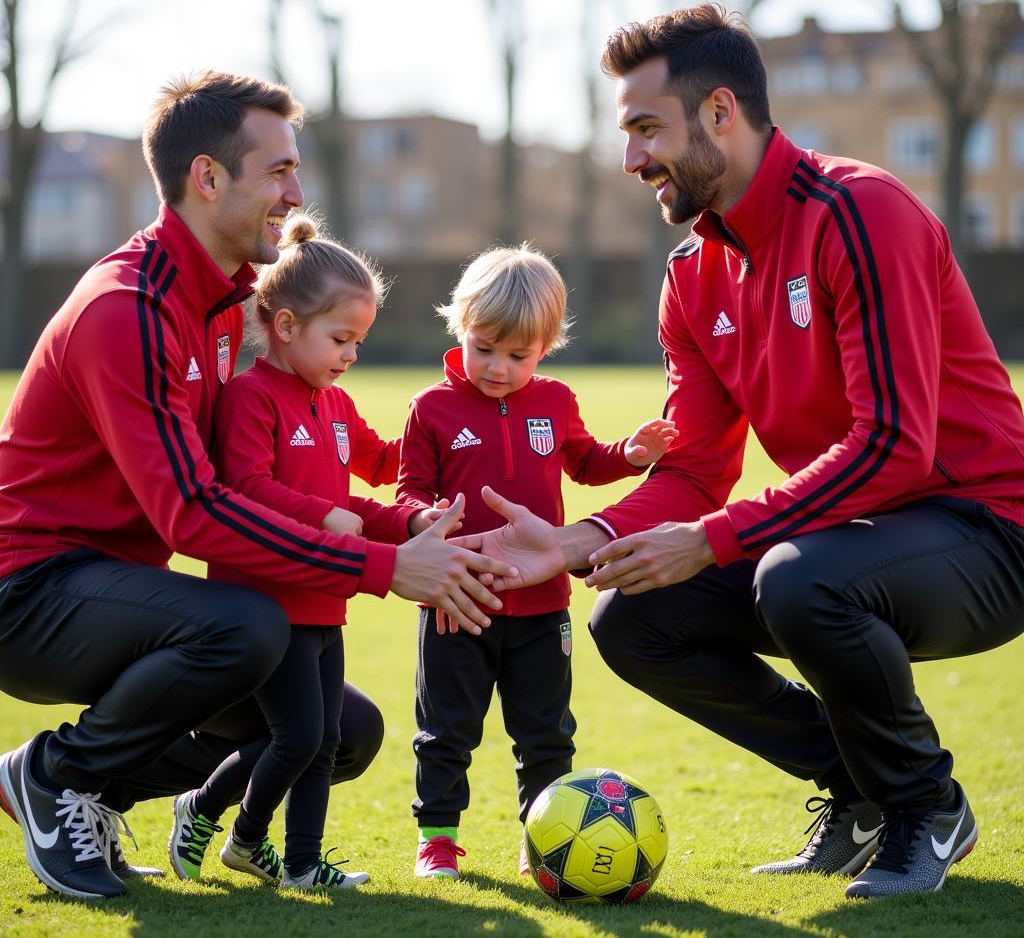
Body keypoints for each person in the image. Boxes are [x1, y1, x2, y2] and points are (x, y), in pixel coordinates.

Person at [455, 4, 1024, 899]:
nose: (632, 157)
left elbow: (894, 446)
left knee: (796, 578)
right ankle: (859, 792)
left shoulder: (859, 211)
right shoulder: (690, 276)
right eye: (627, 132)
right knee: (635, 618)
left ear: (721, 113)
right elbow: (693, 467)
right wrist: (579, 539)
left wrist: (715, 539)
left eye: (647, 129)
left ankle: (928, 805)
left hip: (988, 533)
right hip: (857, 536)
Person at [0, 71, 511, 901]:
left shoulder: (219, 306)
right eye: (277, 171)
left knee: (339, 731)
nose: (296, 192)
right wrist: (382, 570)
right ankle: (58, 775)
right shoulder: (127, 307)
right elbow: (194, 512)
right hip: (30, 594)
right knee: (246, 625)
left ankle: (90, 790)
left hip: (119, 593)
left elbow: (261, 482)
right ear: (208, 178)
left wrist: (403, 530)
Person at [167, 213, 446, 891]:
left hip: (328, 601)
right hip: (268, 604)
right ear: (286, 327)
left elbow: (370, 486)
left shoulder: (334, 404)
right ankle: (211, 815)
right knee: (296, 737)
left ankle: (297, 864)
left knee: (319, 742)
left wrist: (411, 520)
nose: (350, 355)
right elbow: (245, 488)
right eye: (341, 339)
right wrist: (327, 514)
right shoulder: (250, 398)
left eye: (358, 342)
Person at [397, 244, 677, 880]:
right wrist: (429, 517)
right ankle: (437, 841)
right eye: (484, 347)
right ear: (459, 327)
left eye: (518, 356)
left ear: (545, 347)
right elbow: (408, 491)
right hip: (459, 601)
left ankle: (542, 841)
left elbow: (585, 462)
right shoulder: (431, 408)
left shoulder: (554, 400)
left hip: (543, 602)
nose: (498, 368)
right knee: (446, 732)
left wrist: (630, 454)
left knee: (546, 733)